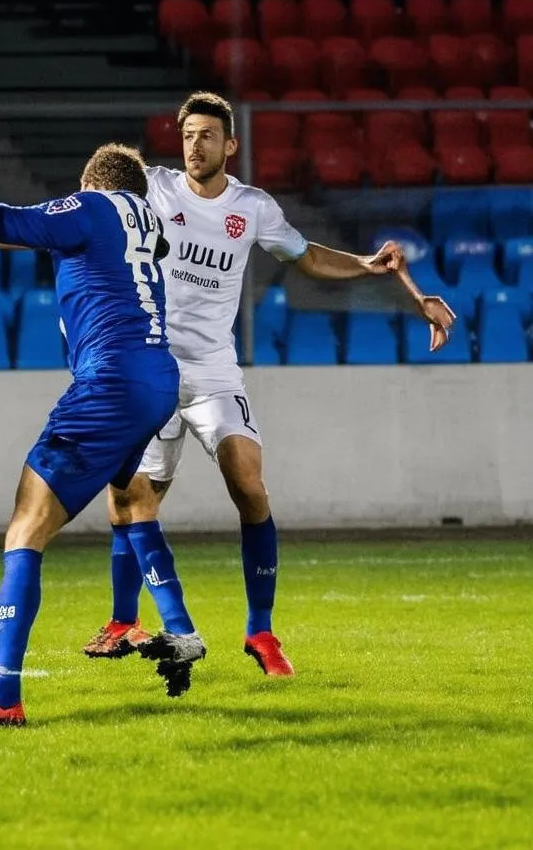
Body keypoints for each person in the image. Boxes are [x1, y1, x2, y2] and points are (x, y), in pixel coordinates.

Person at [79, 91, 456, 676]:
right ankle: (123, 620)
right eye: (187, 135)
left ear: (231, 145)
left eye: (207, 135)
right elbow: (81, 205)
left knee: (249, 485)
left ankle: (261, 631)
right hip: (151, 365)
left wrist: (370, 267)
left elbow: (305, 257)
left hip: (212, 372)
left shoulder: (252, 208)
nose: (194, 145)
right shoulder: (152, 186)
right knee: (132, 500)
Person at [0, 143, 205, 726]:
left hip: (108, 383)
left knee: (27, 525)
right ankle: (182, 629)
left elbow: (3, 222)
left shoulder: (90, 207)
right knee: (131, 498)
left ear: (91, 181)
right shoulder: (146, 222)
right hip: (156, 379)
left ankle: (2, 698)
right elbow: (11, 237)